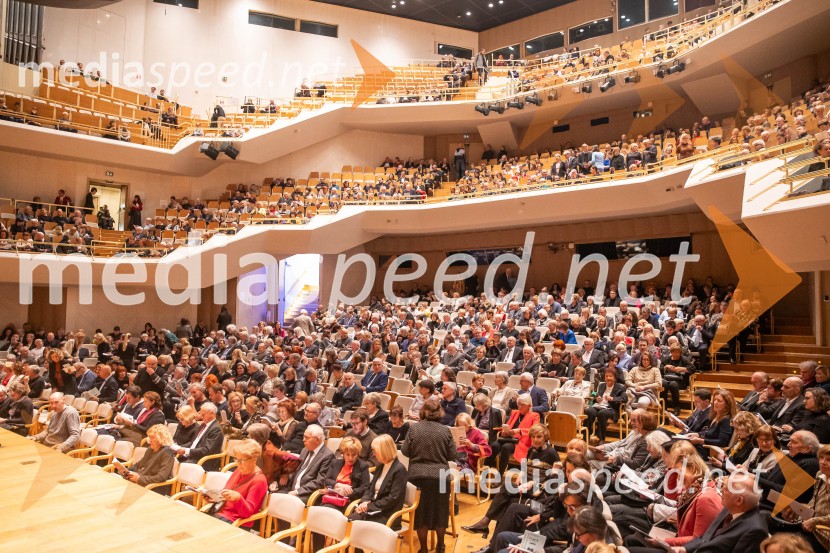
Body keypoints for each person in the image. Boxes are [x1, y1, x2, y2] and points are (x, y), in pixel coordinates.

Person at [402, 398, 456, 553]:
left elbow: (405, 451)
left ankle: (424, 548)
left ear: (422, 411)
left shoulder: (414, 428)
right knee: (440, 512)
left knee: (421, 515)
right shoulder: (445, 430)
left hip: (418, 475)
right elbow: (452, 455)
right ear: (440, 412)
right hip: (441, 476)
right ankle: (441, 546)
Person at [676, 472, 768, 553]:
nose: (721, 490)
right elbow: (706, 537)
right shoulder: (729, 508)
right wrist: (684, 549)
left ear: (739, 501)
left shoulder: (755, 531)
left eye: (726, 489)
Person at [207, 439, 268, 526]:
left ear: (254, 459)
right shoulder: (239, 470)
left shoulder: (259, 480)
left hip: (236, 523)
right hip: (220, 513)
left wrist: (238, 498)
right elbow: (226, 493)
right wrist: (215, 498)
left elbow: (247, 513)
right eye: (236, 459)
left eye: (242, 460)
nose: (238, 464)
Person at [349, 434, 408, 525]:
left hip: (387, 514)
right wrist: (364, 501)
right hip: (373, 508)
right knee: (348, 519)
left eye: (375, 451)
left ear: (383, 451)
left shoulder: (400, 470)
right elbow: (370, 488)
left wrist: (369, 506)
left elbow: (392, 499)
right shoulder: (381, 465)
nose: (373, 454)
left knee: (352, 522)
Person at [283, 424, 334, 502]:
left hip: (306, 494)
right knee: (273, 495)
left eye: (306, 437)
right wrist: (285, 475)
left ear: (316, 440)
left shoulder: (328, 455)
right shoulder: (305, 450)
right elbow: (296, 470)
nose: (303, 440)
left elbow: (319, 482)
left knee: (286, 502)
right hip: (290, 489)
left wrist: (297, 492)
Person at [319, 436, 371, 509]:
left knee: (326, 510)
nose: (350, 458)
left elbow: (364, 487)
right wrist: (338, 485)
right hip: (330, 498)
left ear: (357, 454)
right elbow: (327, 480)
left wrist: (345, 492)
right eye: (347, 454)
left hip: (347, 501)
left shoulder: (363, 466)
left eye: (354, 455)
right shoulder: (335, 463)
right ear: (343, 453)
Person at [122, 423, 176, 488]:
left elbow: (161, 477)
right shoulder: (150, 449)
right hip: (143, 481)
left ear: (161, 438)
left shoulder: (167, 452)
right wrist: (127, 471)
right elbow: (139, 464)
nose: (149, 441)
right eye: (149, 437)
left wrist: (139, 479)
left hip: (154, 487)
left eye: (152, 438)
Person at [585, 367, 628, 443]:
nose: (608, 378)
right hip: (599, 406)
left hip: (611, 408)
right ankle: (585, 437)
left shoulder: (620, 387)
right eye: (606, 376)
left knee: (602, 413)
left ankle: (601, 438)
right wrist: (597, 399)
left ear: (615, 378)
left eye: (610, 376)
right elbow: (595, 397)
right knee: (589, 411)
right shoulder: (602, 385)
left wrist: (612, 398)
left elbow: (624, 399)